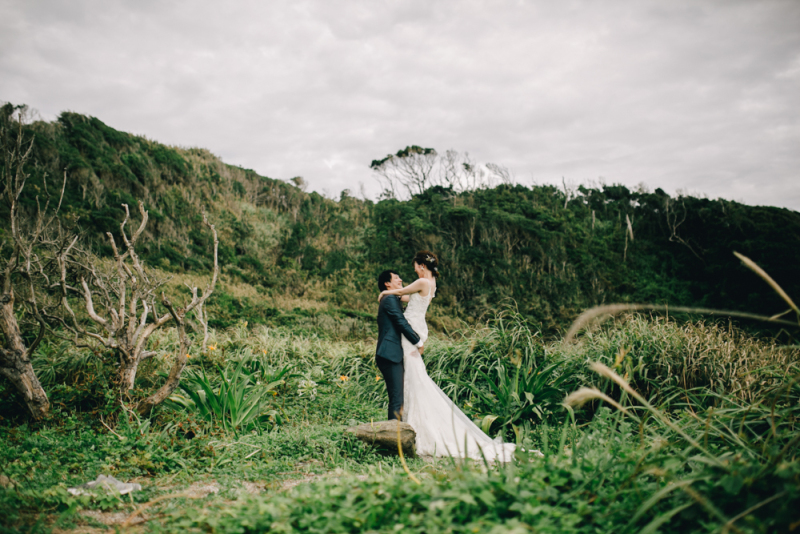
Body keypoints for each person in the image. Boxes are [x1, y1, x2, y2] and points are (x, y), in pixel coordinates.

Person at [378, 251, 519, 462]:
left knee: (414, 378)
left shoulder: (421, 282)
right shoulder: (429, 284)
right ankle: (403, 428)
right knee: (413, 378)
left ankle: (404, 432)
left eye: (415, 265)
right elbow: (403, 295)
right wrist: (391, 294)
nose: (413, 269)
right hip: (413, 330)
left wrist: (384, 293)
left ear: (421, 265)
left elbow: (402, 292)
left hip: (412, 332)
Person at [375, 269, 424, 421]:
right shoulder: (389, 300)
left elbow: (416, 298)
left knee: (398, 398)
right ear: (387, 284)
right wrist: (418, 341)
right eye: (396, 278)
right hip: (389, 354)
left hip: (392, 353)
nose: (400, 280)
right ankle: (394, 439)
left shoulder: (392, 298)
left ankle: (396, 435)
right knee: (397, 399)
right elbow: (400, 321)